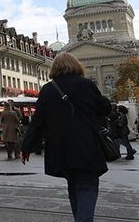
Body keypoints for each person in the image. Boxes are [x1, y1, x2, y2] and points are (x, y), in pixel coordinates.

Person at [21, 52, 111, 222]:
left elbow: (37, 122)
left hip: (61, 148)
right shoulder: (87, 85)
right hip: (87, 146)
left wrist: (26, 147)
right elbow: (105, 108)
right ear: (76, 66)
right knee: (87, 186)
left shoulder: (48, 89)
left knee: (73, 184)